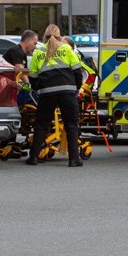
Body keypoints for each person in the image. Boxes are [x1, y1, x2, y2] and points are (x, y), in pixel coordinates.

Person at [26, 24, 87, 168]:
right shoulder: (67, 49)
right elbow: (77, 71)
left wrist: (38, 88)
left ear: (44, 36)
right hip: (67, 92)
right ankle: (74, 159)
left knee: (41, 124)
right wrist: (76, 87)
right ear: (59, 36)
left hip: (47, 93)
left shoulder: (38, 52)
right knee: (71, 125)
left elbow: (32, 76)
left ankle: (33, 157)